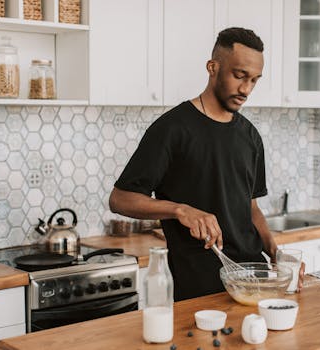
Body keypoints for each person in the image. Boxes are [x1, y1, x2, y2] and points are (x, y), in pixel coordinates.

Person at [109, 27, 303, 301]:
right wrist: (180, 210)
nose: (246, 89)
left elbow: (251, 207)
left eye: (254, 80)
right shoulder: (172, 129)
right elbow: (120, 199)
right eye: (239, 76)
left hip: (252, 281)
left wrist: (275, 252)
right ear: (212, 67)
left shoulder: (250, 136)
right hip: (198, 287)